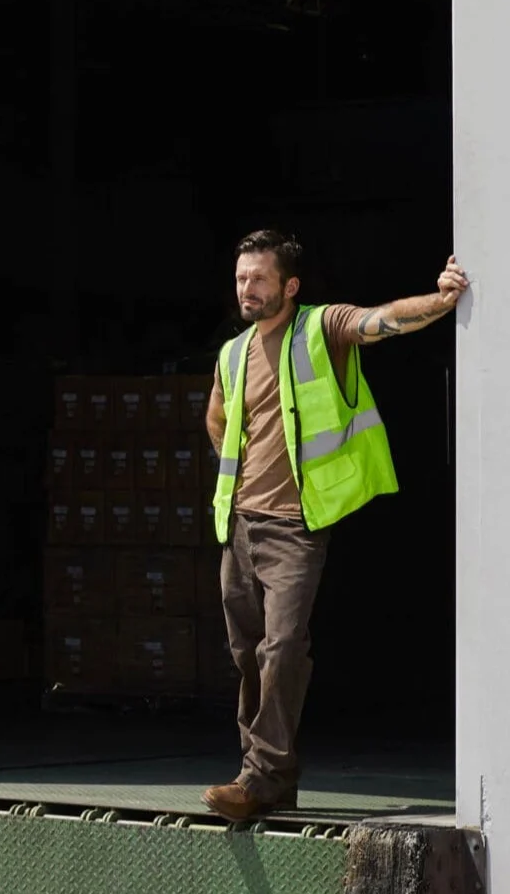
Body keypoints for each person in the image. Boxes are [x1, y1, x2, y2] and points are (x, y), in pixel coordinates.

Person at [200, 230, 468, 821]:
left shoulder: (319, 329)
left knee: (283, 648)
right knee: (246, 654)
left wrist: (441, 300)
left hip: (296, 526)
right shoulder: (233, 351)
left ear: (289, 286)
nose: (247, 288)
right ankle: (276, 780)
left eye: (259, 278)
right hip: (240, 524)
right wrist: (241, 476)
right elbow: (218, 418)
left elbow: (382, 321)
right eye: (241, 278)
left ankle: (260, 775)